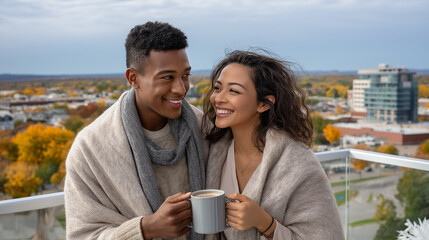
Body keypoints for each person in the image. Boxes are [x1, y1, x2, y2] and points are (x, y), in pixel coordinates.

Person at [64, 21, 208, 240]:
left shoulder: (203, 127)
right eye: (167, 77)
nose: (181, 89)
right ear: (133, 78)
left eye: (185, 75)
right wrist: (147, 228)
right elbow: (81, 235)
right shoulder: (91, 147)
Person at [202, 50, 344, 240]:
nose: (218, 98)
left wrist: (264, 222)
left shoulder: (299, 163)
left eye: (233, 91)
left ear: (264, 104)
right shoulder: (214, 151)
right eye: (218, 88)